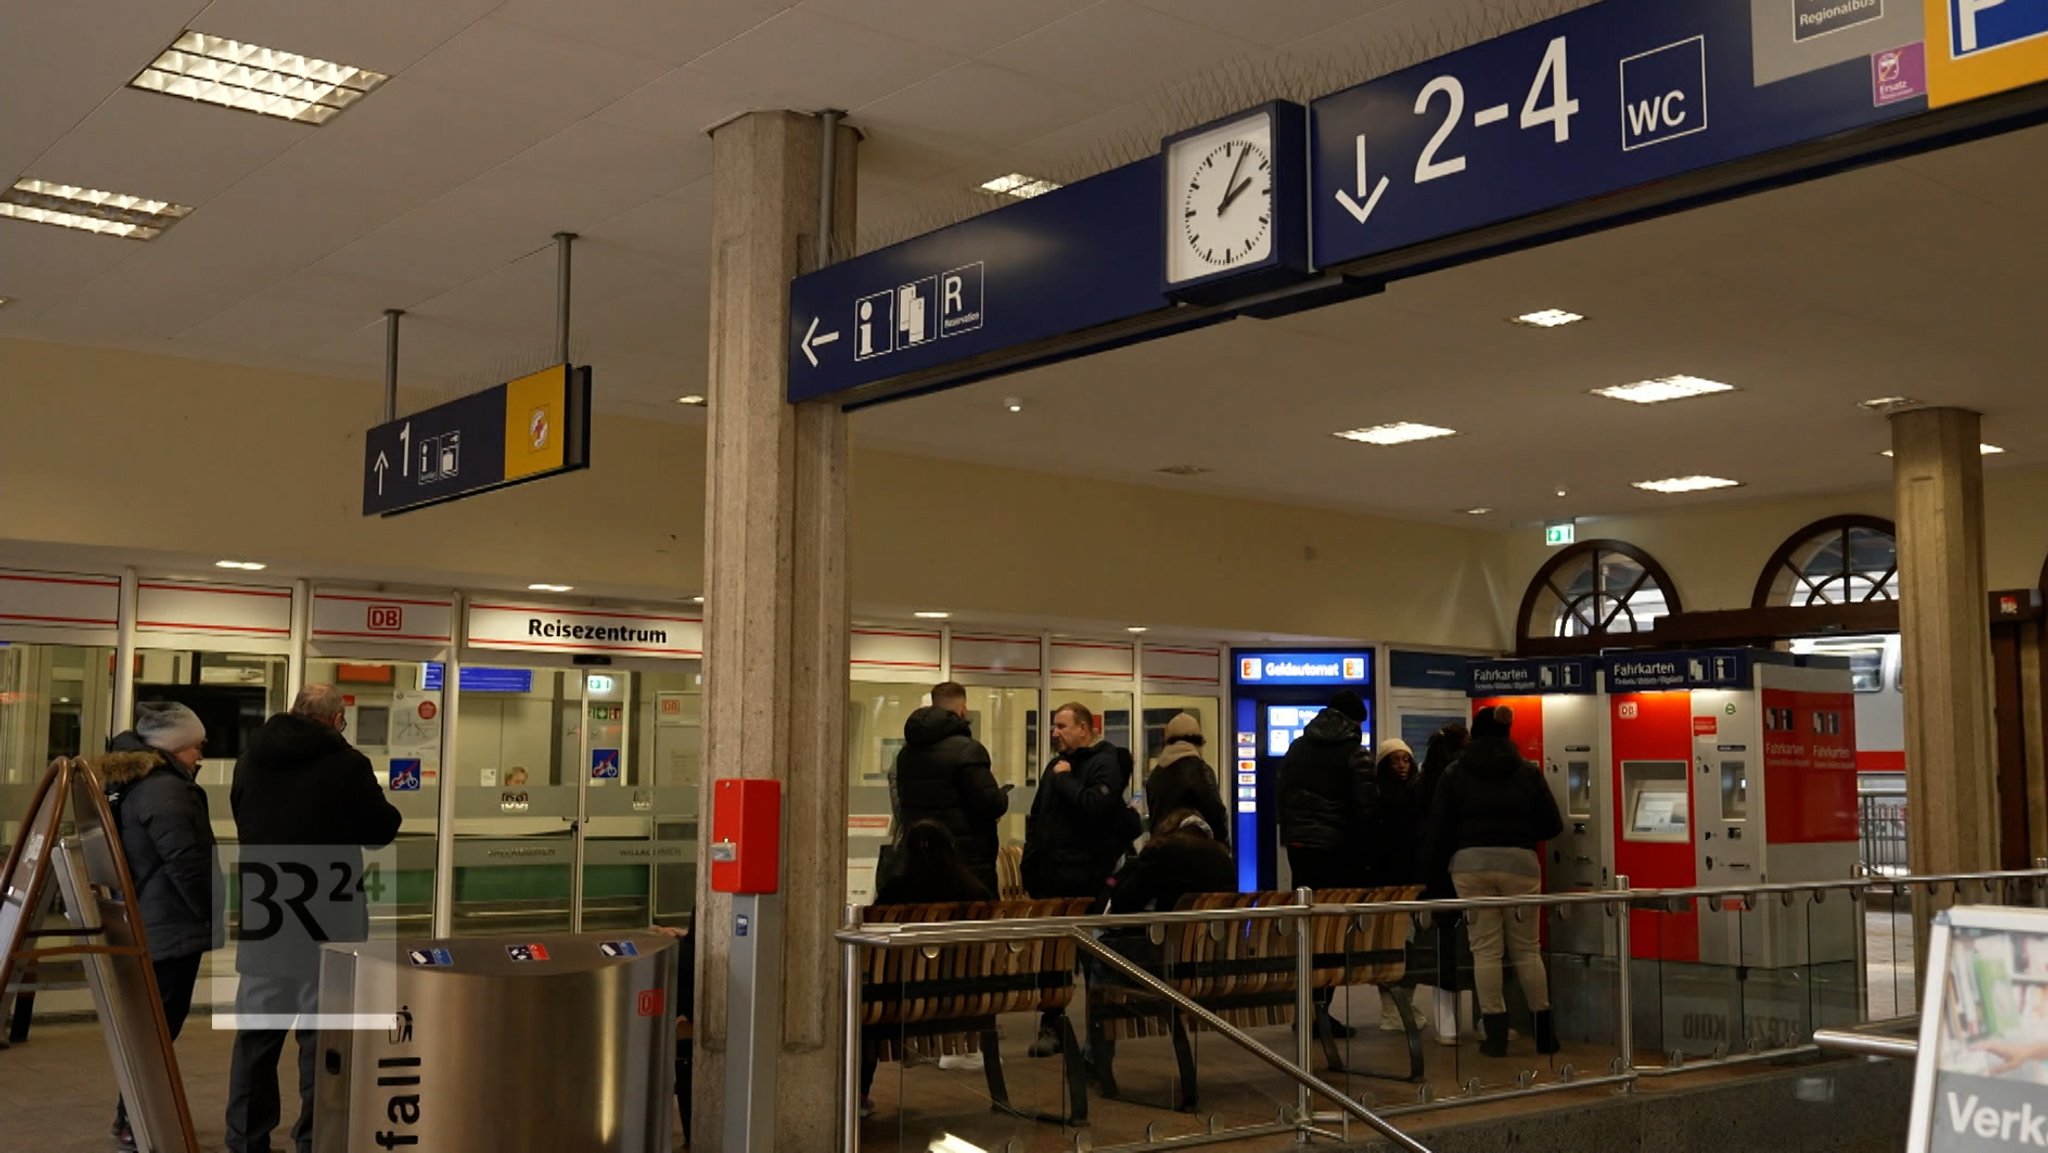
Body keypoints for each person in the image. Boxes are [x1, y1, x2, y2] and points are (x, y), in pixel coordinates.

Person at [226, 685, 404, 1153]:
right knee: (321, 1044)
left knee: (255, 1043)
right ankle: (314, 1140)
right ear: (335, 719)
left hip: (266, 920)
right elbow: (380, 829)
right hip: (329, 924)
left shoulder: (251, 761)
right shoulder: (347, 764)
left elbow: (244, 820)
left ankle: (246, 1140)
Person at [100, 702, 221, 1152]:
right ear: (174, 747)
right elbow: (186, 861)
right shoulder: (166, 790)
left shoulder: (136, 782)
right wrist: (208, 910)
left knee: (152, 1027)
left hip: (148, 921)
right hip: (167, 924)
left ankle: (132, 1114)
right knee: (158, 1028)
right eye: (195, 747)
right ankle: (136, 1117)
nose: (200, 756)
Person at [1425, 705, 1564, 1058]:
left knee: (1485, 950)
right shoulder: (1526, 772)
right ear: (1507, 733)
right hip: (1519, 864)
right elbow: (1552, 825)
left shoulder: (1455, 772)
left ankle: (1496, 1036)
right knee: (1527, 949)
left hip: (1470, 866)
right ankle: (1545, 1034)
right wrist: (1518, 833)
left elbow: (1438, 830)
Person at [1019, 702, 1142, 1056]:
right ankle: (1051, 1026)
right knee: (1052, 959)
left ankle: (1097, 1037)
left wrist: (1063, 779)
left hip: (1084, 880)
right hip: (1049, 879)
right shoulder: (1055, 766)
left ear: (1085, 729)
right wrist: (1031, 862)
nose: (1055, 733)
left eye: (1061, 726)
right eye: (1053, 727)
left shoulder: (1104, 763)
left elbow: (1094, 807)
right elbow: (1039, 815)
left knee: (1090, 960)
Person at [1087, 808, 1236, 1095]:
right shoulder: (1223, 859)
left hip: (1169, 968)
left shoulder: (1165, 852)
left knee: (1102, 950)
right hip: (1213, 967)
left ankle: (1095, 1059)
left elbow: (1123, 902)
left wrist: (1128, 871)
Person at [861, 821, 992, 1117]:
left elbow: (872, 938)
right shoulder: (977, 892)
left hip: (901, 999)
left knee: (862, 1011)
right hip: (971, 995)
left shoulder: (896, 891)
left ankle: (859, 1093)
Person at [1277, 689, 1378, 1039]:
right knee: (1332, 934)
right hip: (1338, 850)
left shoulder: (1297, 748)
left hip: (1301, 848)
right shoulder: (1355, 755)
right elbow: (1366, 810)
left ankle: (1306, 1010)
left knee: (1309, 926)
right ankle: (1320, 1009)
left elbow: (1281, 795)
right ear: (1355, 721)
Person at [888, 681, 1008, 896]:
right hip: (966, 864)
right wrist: (1001, 796)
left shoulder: (906, 754)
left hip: (920, 861)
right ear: (963, 709)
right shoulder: (968, 750)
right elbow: (990, 804)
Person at [1368, 738, 1430, 1035]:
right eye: (1395, 761)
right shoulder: (1383, 796)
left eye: (1406, 760)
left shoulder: (1407, 793)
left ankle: (1399, 1005)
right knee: (1397, 943)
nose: (1402, 766)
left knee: (1404, 942)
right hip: (1391, 881)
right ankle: (1394, 1007)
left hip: (1404, 881)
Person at [1144, 713, 1228, 844]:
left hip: (1162, 849)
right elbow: (1216, 813)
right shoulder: (1200, 770)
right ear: (1198, 741)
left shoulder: (1156, 774)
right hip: (1195, 850)